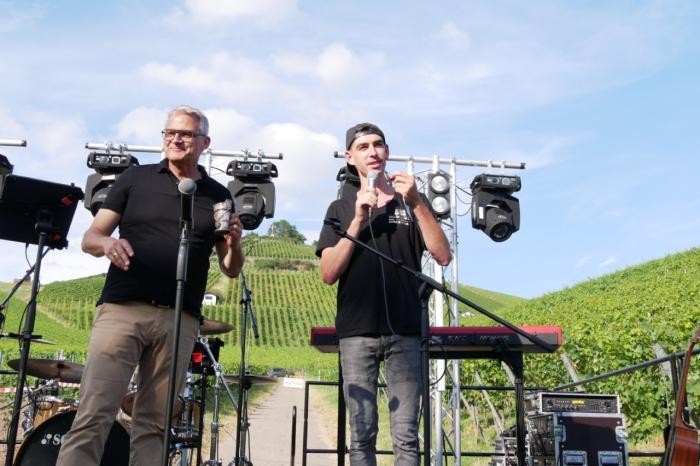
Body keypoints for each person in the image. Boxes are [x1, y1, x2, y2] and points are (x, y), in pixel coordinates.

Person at [56, 105, 244, 465]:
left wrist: (235, 242)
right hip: (123, 311)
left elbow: (231, 269)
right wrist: (108, 244)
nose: (175, 138)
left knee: (155, 424)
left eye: (185, 133)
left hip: (180, 319)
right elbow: (91, 238)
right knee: (94, 412)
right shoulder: (134, 178)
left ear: (205, 142)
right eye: (169, 132)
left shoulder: (219, 195)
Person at [316, 123, 452, 465]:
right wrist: (357, 221)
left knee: (406, 436)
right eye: (363, 147)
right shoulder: (340, 208)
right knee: (361, 436)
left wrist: (418, 202)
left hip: (405, 330)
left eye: (378, 145)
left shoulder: (411, 202)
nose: (372, 151)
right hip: (357, 331)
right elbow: (328, 273)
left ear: (387, 152)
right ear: (350, 157)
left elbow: (443, 255)